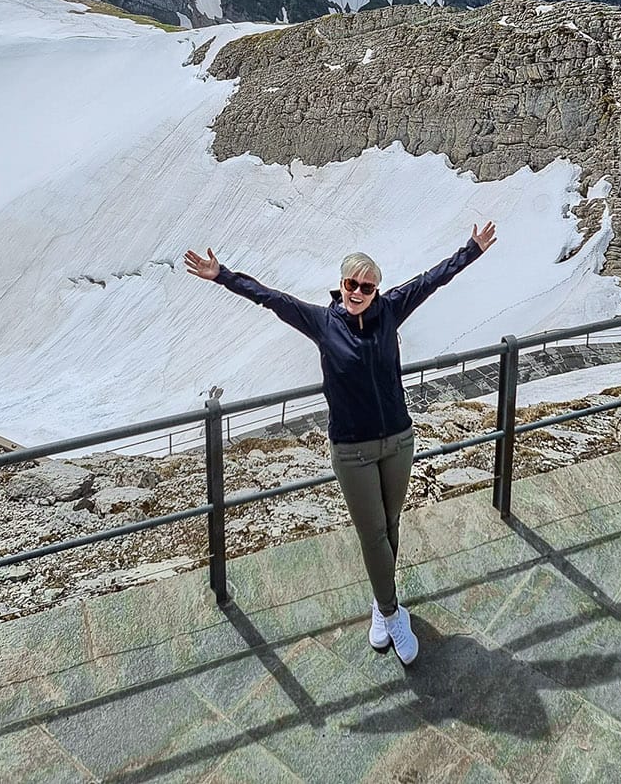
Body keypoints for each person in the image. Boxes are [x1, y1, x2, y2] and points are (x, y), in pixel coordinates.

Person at [184, 221, 497, 664]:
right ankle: (391, 612)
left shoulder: (390, 309)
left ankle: (378, 600)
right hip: (352, 450)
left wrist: (472, 250)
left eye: (367, 286)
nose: (358, 292)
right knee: (372, 535)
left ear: (376, 290)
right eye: (352, 283)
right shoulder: (321, 322)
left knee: (390, 527)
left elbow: (433, 278)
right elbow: (271, 299)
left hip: (398, 441)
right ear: (341, 284)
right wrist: (223, 275)